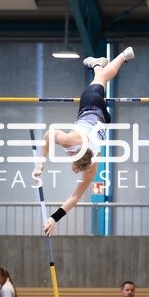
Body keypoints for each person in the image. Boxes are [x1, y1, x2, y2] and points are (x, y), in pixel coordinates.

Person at [35, 47, 135, 237]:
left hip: (104, 120)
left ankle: (97, 64)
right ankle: (123, 55)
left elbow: (76, 197)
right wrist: (41, 163)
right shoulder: (71, 141)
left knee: (101, 76)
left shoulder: (93, 166)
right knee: (102, 79)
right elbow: (49, 134)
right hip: (91, 105)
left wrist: (54, 218)